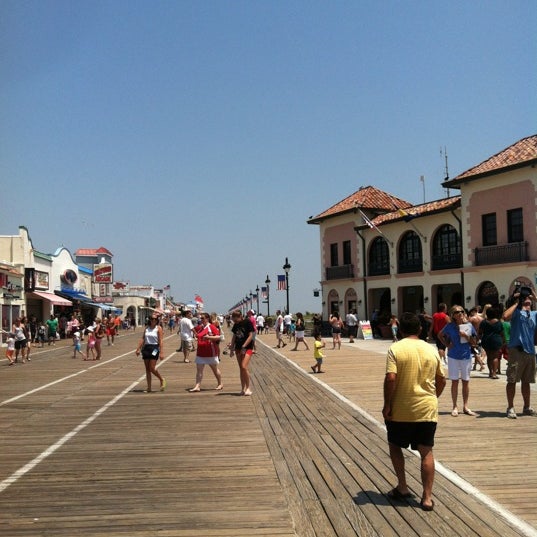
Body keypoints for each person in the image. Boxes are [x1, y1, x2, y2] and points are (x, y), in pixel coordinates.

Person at [382, 312, 446, 512]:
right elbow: (442, 379)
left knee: (394, 445)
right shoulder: (431, 349)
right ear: (420, 329)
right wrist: (433, 397)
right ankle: (427, 498)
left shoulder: (396, 348)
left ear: (400, 330)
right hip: (426, 408)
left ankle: (402, 487)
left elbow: (391, 378)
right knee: (426, 450)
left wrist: (387, 404)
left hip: (401, 408)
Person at [502, 288, 536, 419]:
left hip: (530, 351)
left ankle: (527, 407)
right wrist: (518, 302)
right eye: (525, 301)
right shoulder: (516, 312)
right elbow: (505, 316)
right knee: (512, 380)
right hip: (516, 350)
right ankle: (510, 407)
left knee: (527, 381)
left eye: (529, 301)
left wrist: (534, 295)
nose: (528, 302)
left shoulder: (533, 314)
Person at [438, 306, 478, 417]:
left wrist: (466, 336)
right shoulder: (449, 326)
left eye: (461, 311)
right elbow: (440, 335)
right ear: (453, 315)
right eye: (457, 312)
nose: (460, 313)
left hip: (466, 356)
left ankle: (465, 406)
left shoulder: (468, 325)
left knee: (466, 381)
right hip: (453, 356)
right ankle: (454, 406)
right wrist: (447, 344)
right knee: (454, 381)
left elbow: (474, 342)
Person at [189, 312, 223, 392]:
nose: (201, 320)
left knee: (214, 369)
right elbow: (195, 332)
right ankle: (197, 386)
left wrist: (209, 337)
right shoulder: (200, 327)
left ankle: (220, 383)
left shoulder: (211, 327)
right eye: (200, 318)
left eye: (203, 318)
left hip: (210, 352)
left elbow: (219, 337)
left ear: (207, 319)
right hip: (201, 352)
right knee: (199, 370)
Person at [135, 314, 166, 393]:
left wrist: (161, 352)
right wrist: (138, 348)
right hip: (146, 348)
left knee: (152, 367)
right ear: (149, 319)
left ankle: (161, 379)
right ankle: (149, 387)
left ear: (157, 320)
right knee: (147, 369)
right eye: (152, 319)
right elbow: (143, 338)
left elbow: (161, 340)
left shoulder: (158, 328)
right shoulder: (147, 328)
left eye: (155, 319)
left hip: (155, 348)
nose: (153, 320)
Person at [229, 309, 255, 396]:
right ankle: (243, 389)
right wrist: (231, 349)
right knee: (241, 368)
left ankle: (248, 388)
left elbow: (251, 335)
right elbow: (234, 337)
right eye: (233, 319)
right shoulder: (236, 325)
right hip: (238, 348)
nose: (234, 321)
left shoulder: (247, 322)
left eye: (235, 319)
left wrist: (244, 345)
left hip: (247, 347)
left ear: (240, 317)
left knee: (244, 366)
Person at [478, 306, 505, 379]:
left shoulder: (483, 322)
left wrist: (479, 339)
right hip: (496, 340)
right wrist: (503, 341)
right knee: (495, 356)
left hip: (486, 340)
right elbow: (502, 333)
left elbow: (480, 332)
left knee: (489, 356)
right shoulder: (499, 322)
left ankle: (490, 372)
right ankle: (494, 373)